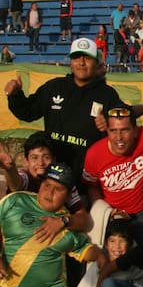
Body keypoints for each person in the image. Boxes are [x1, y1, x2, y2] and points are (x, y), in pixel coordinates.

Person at [0, 163, 105, 287]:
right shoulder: (14, 201)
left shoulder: (66, 224)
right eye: (47, 185)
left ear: (67, 195)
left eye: (58, 189)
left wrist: (99, 255)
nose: (50, 193)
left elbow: (88, 251)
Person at [5, 38, 122, 186]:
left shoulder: (108, 95)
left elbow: (123, 127)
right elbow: (28, 112)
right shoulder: (54, 87)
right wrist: (15, 95)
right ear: (71, 62)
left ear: (96, 63)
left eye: (87, 58)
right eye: (76, 57)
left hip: (86, 180)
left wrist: (109, 126)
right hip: (51, 178)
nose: (81, 63)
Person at [83, 106, 143, 243]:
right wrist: (103, 208)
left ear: (135, 130)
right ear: (107, 131)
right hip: (111, 213)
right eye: (113, 131)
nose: (119, 137)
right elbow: (91, 185)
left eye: (124, 130)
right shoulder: (94, 154)